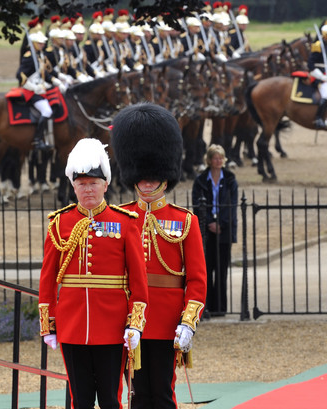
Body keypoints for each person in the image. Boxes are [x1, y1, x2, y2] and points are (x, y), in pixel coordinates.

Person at [38, 138, 148, 409]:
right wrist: (48, 323)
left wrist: (135, 322)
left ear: (106, 185)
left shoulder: (124, 222)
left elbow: (138, 279)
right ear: (73, 185)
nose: (88, 189)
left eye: (93, 183)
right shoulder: (59, 222)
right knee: (81, 398)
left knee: (111, 398)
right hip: (72, 324)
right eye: (82, 183)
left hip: (112, 324)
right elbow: (48, 277)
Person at [112, 103, 207, 409]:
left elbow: (196, 278)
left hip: (168, 321)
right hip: (130, 319)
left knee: (164, 394)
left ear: (164, 175)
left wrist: (188, 322)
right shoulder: (121, 218)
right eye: (142, 177)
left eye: (153, 176)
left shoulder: (185, 221)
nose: (147, 182)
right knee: (137, 394)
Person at [192, 144, 238, 317]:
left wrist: (222, 224)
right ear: (210, 160)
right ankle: (207, 307)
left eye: (221, 158)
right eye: (215, 158)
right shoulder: (201, 180)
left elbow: (231, 205)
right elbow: (198, 204)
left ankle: (220, 307)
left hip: (224, 230)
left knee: (222, 269)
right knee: (207, 268)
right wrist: (210, 223)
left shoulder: (231, 179)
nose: (218, 161)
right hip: (207, 230)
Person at [16, 28, 64, 150]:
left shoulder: (39, 55)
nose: (43, 45)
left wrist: (56, 81)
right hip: (31, 91)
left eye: (43, 43)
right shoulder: (29, 56)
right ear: (33, 44)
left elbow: (45, 74)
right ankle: (37, 140)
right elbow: (20, 75)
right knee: (47, 111)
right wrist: (34, 88)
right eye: (40, 43)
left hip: (40, 89)